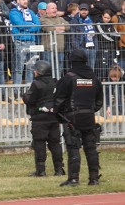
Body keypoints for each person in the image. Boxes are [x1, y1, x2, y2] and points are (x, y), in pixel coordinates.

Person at [54, 49, 104, 187]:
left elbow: (58, 100)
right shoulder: (94, 78)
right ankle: (94, 179)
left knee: (73, 147)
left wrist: (60, 115)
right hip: (89, 116)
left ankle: (74, 179)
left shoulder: (68, 78)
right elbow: (99, 101)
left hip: (72, 117)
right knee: (91, 148)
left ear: (72, 61)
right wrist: (90, 110)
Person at [21, 60, 64, 177]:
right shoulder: (55, 83)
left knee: (39, 143)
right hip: (54, 117)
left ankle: (41, 171)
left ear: (40, 72)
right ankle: (59, 169)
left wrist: (24, 95)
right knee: (55, 143)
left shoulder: (36, 84)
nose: (34, 72)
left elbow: (29, 99)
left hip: (39, 119)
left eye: (36, 70)